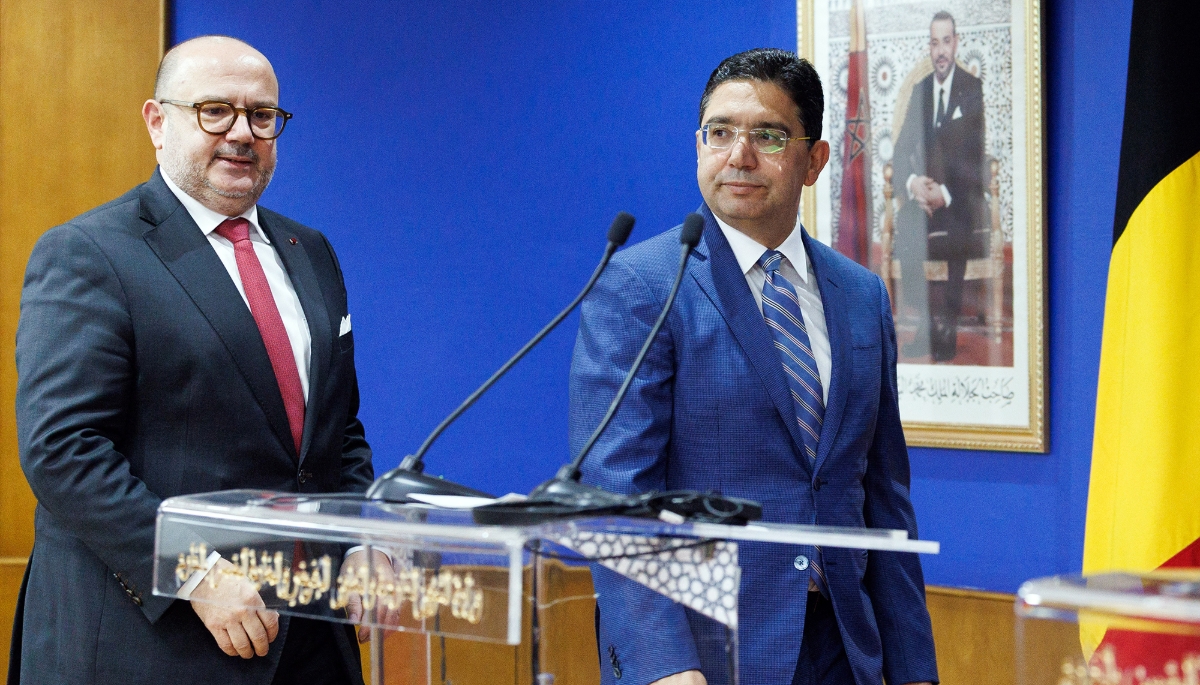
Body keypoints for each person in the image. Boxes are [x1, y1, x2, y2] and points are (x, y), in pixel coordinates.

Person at [11, 36, 377, 685]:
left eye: (261, 115)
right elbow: (62, 449)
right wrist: (195, 572)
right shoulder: (89, 253)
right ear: (157, 122)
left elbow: (336, 432)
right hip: (156, 645)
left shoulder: (311, 251)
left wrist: (358, 542)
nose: (242, 133)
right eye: (215, 111)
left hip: (311, 639)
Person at [570, 48, 938, 685]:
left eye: (768, 136)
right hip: (706, 656)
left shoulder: (862, 296)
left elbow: (885, 502)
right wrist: (665, 666)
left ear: (814, 160)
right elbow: (615, 495)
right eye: (720, 132)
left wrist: (915, 670)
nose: (739, 155)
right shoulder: (643, 286)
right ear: (698, 145)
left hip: (846, 650)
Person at [891, 10, 987, 362]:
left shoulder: (971, 88)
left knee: (959, 225)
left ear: (956, 43)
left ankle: (948, 325)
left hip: (958, 196)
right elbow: (900, 150)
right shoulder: (921, 91)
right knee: (906, 222)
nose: (941, 51)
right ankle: (927, 324)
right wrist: (914, 184)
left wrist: (944, 195)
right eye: (935, 43)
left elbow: (975, 155)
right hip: (925, 194)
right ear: (929, 48)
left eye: (946, 41)